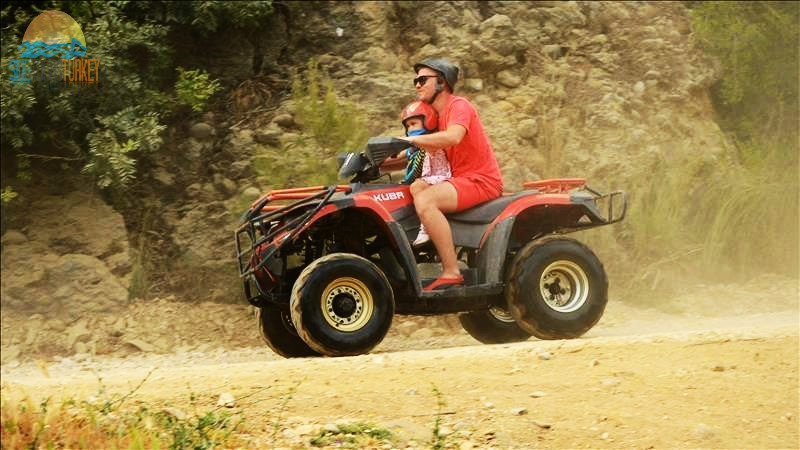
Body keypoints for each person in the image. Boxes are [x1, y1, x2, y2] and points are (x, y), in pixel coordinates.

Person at [401, 58, 504, 291]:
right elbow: (415, 150)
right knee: (416, 187)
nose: (417, 85)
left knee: (427, 199)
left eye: (422, 80)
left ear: (442, 82)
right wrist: (375, 156)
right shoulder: (437, 119)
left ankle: (451, 271)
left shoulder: (459, 106)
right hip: (460, 180)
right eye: (415, 81)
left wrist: (411, 140)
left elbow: (453, 137)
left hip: (481, 180)